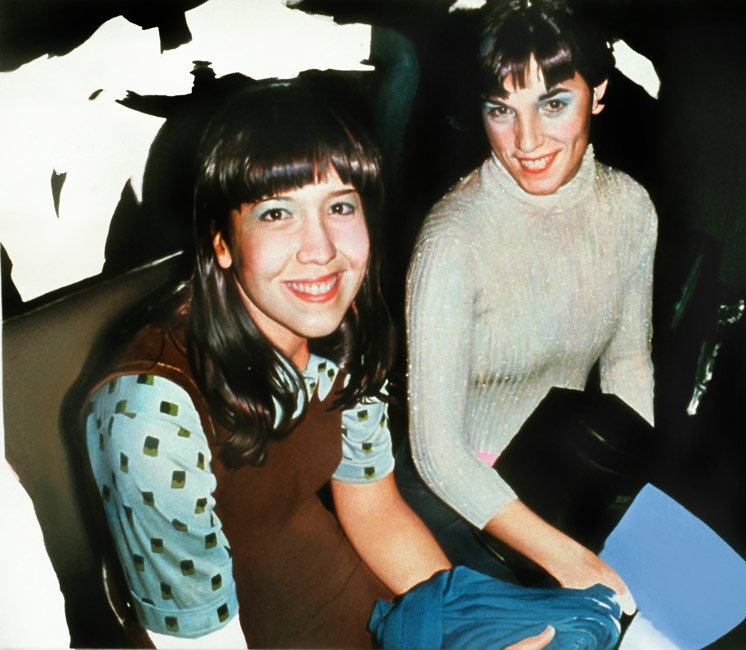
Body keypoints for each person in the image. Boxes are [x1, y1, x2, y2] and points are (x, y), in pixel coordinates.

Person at [76, 79, 561, 649]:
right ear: (221, 243)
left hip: (367, 610)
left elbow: (375, 510)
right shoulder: (148, 412)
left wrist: (465, 628)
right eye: (277, 213)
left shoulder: (343, 326)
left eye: (340, 206)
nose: (322, 249)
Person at [403, 0, 655, 606]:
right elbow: (436, 453)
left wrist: (633, 497)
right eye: (502, 110)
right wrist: (569, 558)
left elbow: (627, 363)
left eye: (553, 104)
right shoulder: (452, 242)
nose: (527, 140)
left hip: (559, 476)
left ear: (598, 93)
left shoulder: (629, 208)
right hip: (460, 503)